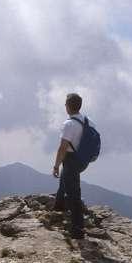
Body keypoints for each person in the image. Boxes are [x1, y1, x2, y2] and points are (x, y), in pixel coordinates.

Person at [52, 93, 87, 239]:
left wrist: (56, 166)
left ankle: (78, 230)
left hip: (71, 158)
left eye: (65, 104)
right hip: (82, 158)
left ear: (68, 106)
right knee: (65, 181)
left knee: (74, 194)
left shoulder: (69, 124)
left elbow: (62, 148)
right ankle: (58, 206)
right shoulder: (86, 121)